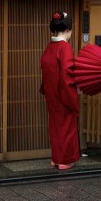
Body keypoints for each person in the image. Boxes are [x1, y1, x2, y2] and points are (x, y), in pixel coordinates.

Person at [40, 11, 80, 170]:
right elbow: (67, 74)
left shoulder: (50, 47)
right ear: (68, 29)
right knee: (66, 128)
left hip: (52, 95)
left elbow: (46, 72)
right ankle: (64, 160)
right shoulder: (65, 48)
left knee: (56, 128)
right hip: (63, 96)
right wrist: (74, 96)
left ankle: (56, 159)